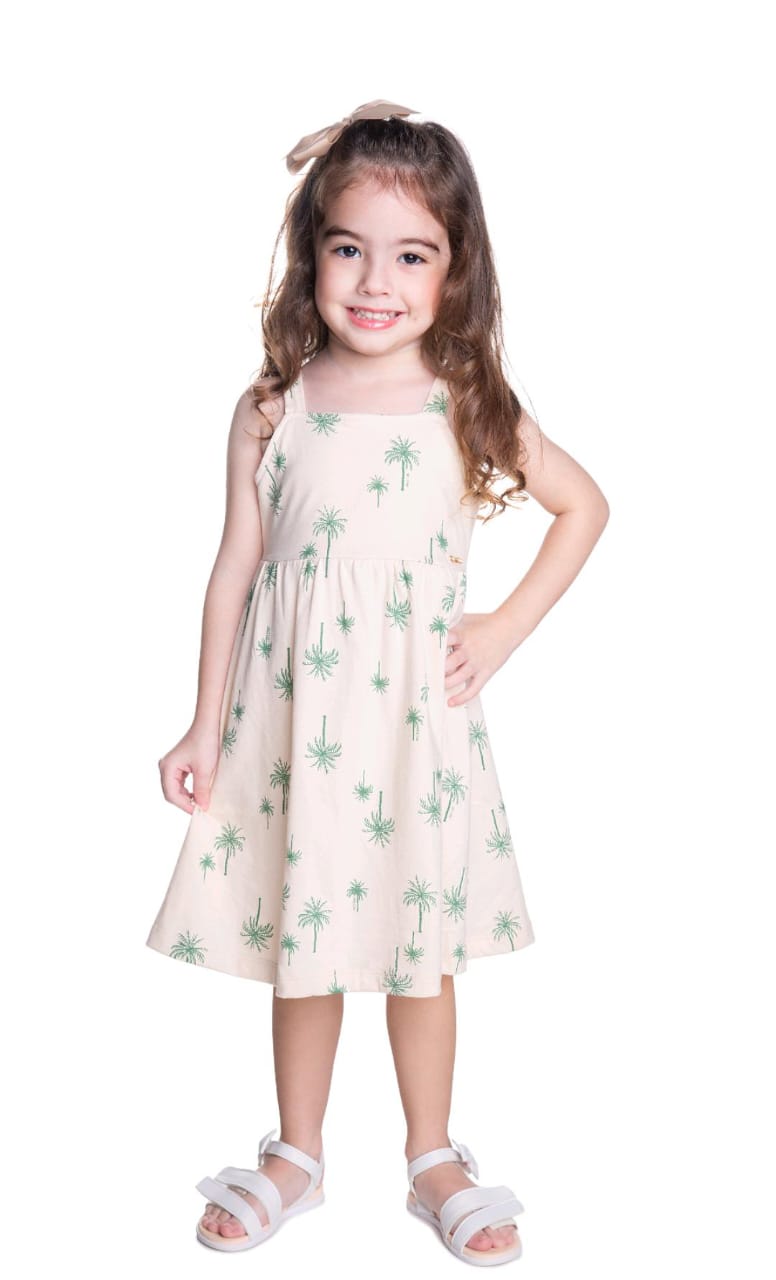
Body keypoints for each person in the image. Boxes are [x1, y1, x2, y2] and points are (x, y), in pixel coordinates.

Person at [146, 100, 609, 1265]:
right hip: (295, 723)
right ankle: (296, 1153)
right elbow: (234, 569)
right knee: (301, 944)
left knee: (417, 948)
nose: (375, 280)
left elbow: (582, 506)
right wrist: (201, 724)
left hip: (412, 729)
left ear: (455, 271)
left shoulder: (465, 401)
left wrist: (500, 626)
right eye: (348, 247)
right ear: (311, 255)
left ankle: (431, 1153)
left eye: (411, 255)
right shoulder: (274, 407)